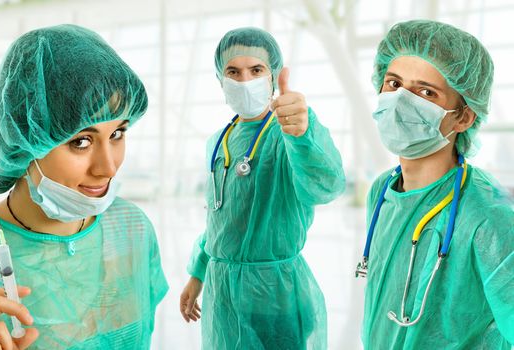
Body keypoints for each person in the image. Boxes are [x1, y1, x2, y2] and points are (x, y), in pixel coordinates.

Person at [0, 24, 168, 349]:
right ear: (24, 138)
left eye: (117, 134)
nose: (108, 167)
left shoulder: (132, 228)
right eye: (81, 141)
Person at [179, 27, 345, 349]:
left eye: (256, 70)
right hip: (222, 291)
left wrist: (303, 134)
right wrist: (198, 273)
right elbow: (220, 219)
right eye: (233, 71)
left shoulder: (290, 133)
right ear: (220, 79)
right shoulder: (218, 142)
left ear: (272, 77)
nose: (244, 80)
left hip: (276, 294)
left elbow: (326, 186)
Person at [357, 19, 514, 349]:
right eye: (393, 83)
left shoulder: (489, 216)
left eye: (426, 92)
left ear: (463, 117)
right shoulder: (383, 190)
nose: (401, 99)